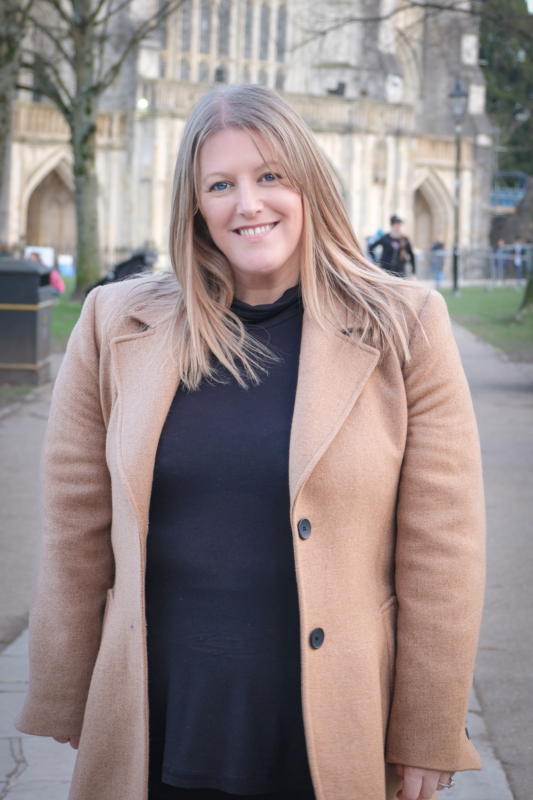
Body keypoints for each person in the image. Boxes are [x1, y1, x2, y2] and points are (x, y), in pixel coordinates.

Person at [16, 86, 485, 800]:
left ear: (308, 184)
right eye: (221, 184)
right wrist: (64, 686)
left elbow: (442, 550)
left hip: (328, 728)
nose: (249, 203)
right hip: (158, 717)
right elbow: (75, 525)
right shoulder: (115, 322)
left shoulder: (406, 325)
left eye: (270, 176)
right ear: (194, 204)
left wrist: (426, 728)